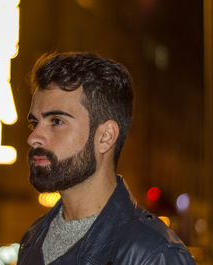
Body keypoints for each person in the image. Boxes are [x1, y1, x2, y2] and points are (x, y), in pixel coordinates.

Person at [17, 52, 195, 265]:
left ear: (105, 137)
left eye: (56, 121)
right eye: (34, 123)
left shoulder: (154, 255)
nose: (33, 137)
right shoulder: (33, 240)